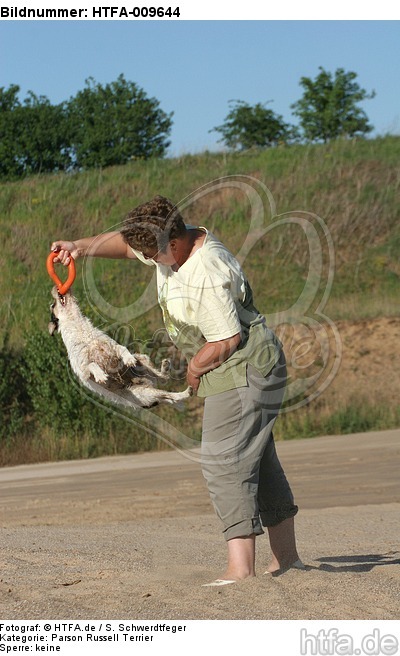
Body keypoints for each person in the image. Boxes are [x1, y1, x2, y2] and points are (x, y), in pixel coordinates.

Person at [51, 195, 303, 586]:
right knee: (257, 460)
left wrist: (194, 368)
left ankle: (240, 570)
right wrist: (80, 248)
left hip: (242, 365)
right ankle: (287, 561)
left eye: (151, 253)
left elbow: (227, 339)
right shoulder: (170, 243)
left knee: (223, 459)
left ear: (172, 242)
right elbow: (128, 246)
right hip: (238, 365)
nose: (146, 259)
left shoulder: (205, 269)